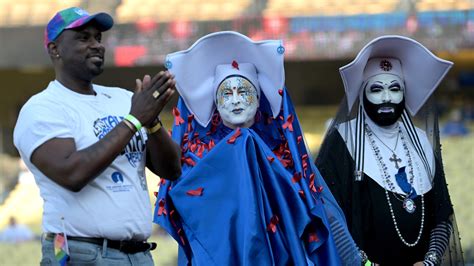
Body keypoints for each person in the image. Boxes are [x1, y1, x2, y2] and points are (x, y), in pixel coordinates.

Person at [153, 31, 360, 265]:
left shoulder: (287, 154)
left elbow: (324, 216)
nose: (236, 100)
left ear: (258, 97)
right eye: (226, 94)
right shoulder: (196, 162)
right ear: (216, 104)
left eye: (243, 91)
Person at [13, 7, 181, 265]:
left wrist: (152, 122)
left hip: (139, 254)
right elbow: (72, 174)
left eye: (98, 38)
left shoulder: (124, 99)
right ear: (55, 49)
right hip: (81, 253)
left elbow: (172, 170)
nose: (96, 45)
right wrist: (135, 119)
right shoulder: (42, 108)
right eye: (83, 38)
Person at [315, 35, 464, 265]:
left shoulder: (421, 142)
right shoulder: (343, 141)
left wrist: (431, 261)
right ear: (363, 93)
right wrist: (360, 263)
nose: (387, 98)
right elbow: (328, 216)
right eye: (376, 89)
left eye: (395, 88)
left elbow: (442, 214)